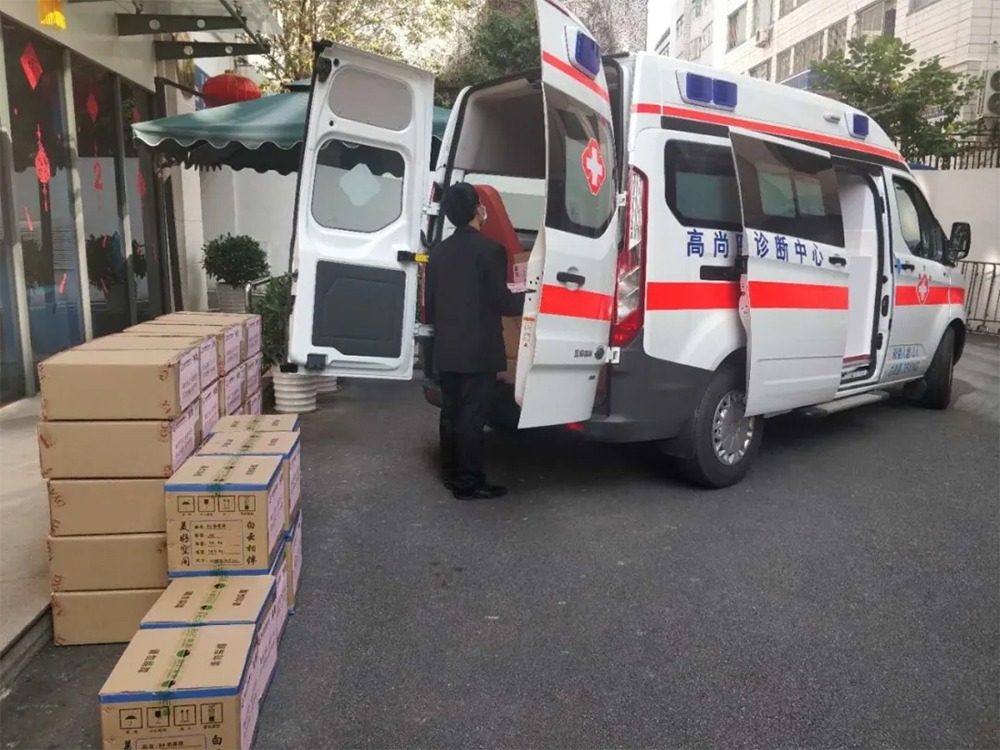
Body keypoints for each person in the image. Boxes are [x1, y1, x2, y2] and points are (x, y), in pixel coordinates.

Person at [425, 183, 525, 501]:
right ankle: (469, 483)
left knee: (451, 413)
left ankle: (451, 473)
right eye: (480, 204)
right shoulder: (491, 251)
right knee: (472, 417)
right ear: (476, 211)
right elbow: (502, 302)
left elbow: (431, 303)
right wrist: (529, 297)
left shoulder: (437, 253)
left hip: (447, 348)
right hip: (479, 350)